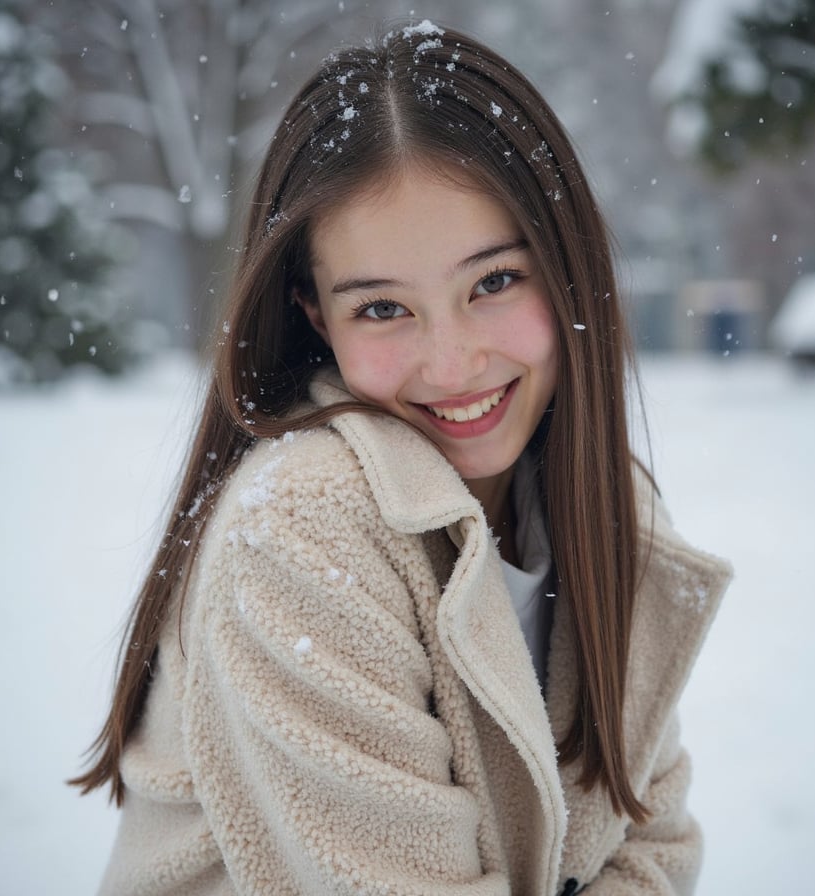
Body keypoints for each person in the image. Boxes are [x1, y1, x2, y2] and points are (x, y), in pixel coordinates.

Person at [71, 21, 732, 896]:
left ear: (565, 266)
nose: (452, 363)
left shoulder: (603, 506)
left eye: (493, 282)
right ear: (316, 316)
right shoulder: (301, 531)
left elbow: (652, 846)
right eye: (383, 309)